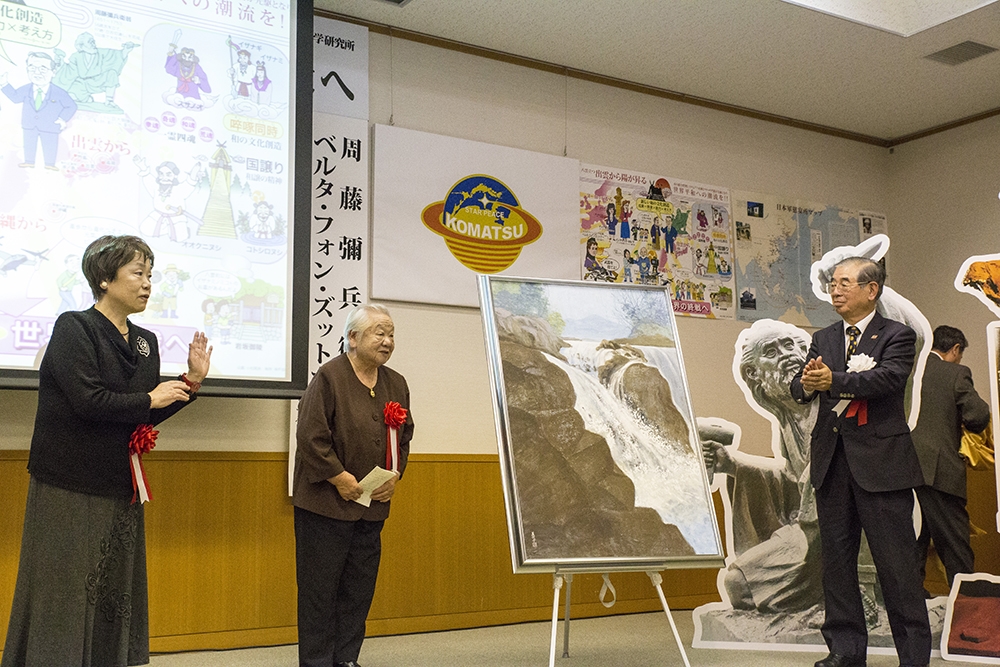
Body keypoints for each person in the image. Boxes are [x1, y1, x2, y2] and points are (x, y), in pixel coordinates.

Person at [2, 235, 212, 667]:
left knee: (111, 589)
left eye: (150, 274)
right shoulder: (75, 327)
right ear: (104, 279)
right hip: (68, 483)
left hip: (120, 484)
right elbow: (88, 401)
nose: (148, 283)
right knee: (64, 590)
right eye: (138, 273)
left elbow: (141, 416)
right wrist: (149, 398)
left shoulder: (145, 342)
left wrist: (190, 383)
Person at [791, 257, 931, 667]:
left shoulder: (898, 335)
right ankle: (845, 651)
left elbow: (888, 379)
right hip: (832, 465)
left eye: (844, 283)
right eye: (833, 284)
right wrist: (805, 383)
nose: (835, 291)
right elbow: (801, 387)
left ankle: (913, 657)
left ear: (872, 290)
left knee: (898, 568)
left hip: (882, 467)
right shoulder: (823, 338)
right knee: (836, 564)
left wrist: (833, 380)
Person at [292, 304, 413, 667]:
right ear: (353, 338)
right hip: (325, 506)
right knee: (319, 592)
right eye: (380, 333)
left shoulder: (396, 383)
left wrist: (395, 475)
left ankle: (346, 659)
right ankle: (316, 662)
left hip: (371, 508)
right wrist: (338, 477)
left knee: (358, 590)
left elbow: (404, 436)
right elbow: (310, 436)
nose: (387, 341)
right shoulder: (330, 377)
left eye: (391, 334)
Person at [702, 320, 823, 612]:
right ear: (754, 373)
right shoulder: (787, 418)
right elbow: (793, 479)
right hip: (809, 528)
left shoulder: (827, 408)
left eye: (791, 345)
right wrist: (734, 465)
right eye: (772, 351)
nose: (788, 354)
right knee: (739, 584)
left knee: (740, 584)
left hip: (836, 534)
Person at [910, 325, 990, 589]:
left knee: (913, 542)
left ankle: (914, 605)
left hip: (901, 467)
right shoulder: (955, 372)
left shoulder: (907, 369)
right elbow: (978, 415)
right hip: (938, 470)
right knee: (956, 545)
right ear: (955, 349)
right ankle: (966, 604)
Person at [0, 52, 78, 170]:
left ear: (53, 72)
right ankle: (29, 161)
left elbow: (71, 106)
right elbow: (15, 97)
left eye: (43, 69)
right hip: (29, 125)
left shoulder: (59, 92)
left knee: (50, 144)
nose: (37, 73)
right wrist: (4, 84)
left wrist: (62, 119)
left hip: (50, 126)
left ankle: (50, 164)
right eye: (32, 68)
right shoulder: (27, 88)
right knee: (29, 143)